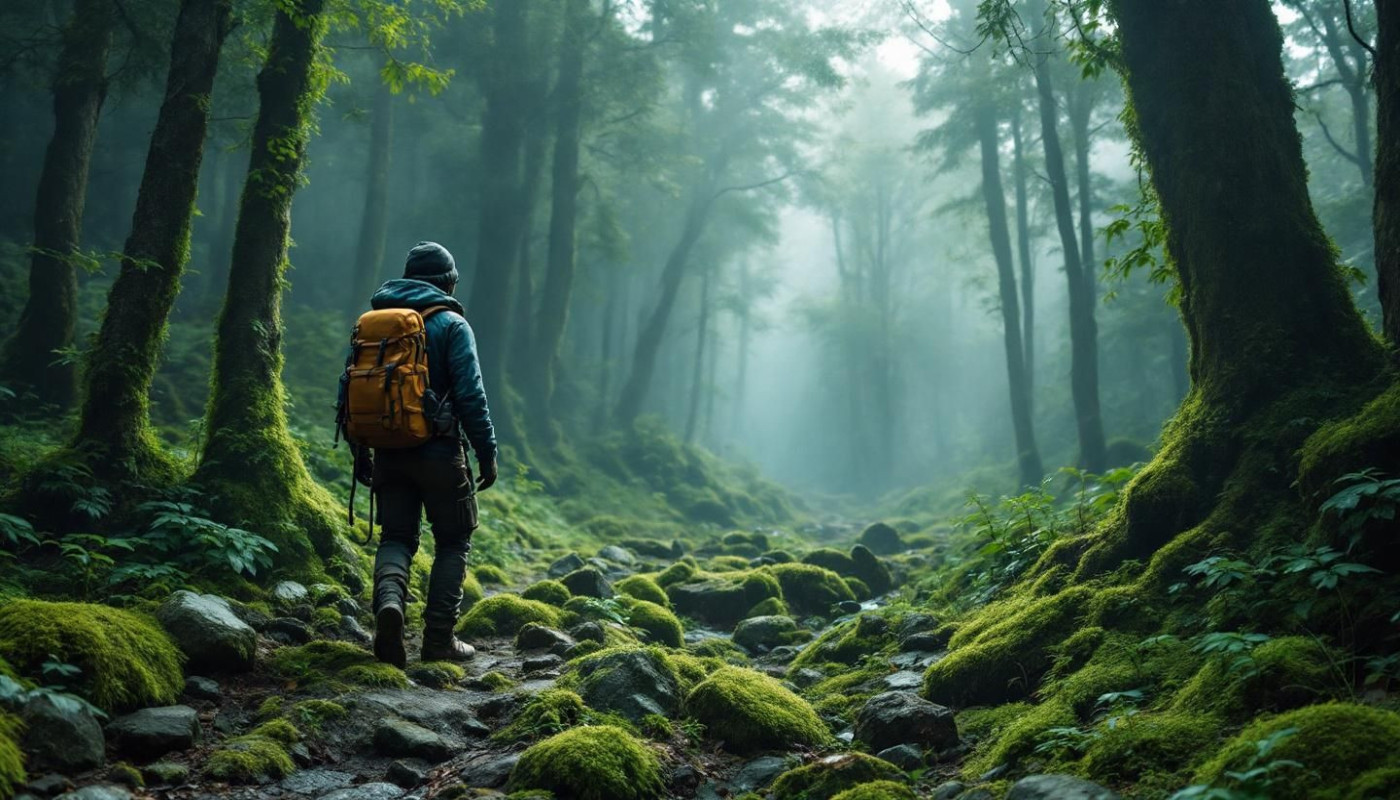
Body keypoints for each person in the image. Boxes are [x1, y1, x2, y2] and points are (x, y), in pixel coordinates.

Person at [358, 241, 498, 667]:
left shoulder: (374, 324)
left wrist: (362, 450)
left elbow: (357, 390)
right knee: (453, 540)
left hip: (387, 448)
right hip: (439, 451)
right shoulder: (453, 325)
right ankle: (439, 640)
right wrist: (486, 451)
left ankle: (390, 607)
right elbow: (472, 395)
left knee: (396, 537)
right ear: (448, 282)